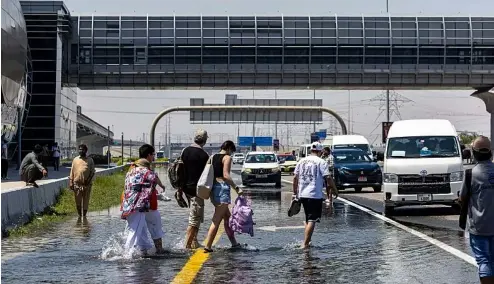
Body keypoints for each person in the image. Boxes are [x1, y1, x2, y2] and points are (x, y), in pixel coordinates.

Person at [459, 136, 494, 284]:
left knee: (484, 261)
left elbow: (462, 198)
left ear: (474, 153)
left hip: (479, 227)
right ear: (490, 152)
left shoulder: (470, 174)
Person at [121, 144, 167, 255]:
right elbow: (153, 178)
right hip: (140, 205)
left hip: (131, 205)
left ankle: (143, 251)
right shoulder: (146, 171)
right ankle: (127, 254)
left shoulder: (131, 170)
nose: (154, 158)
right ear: (148, 155)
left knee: (138, 230)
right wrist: (162, 188)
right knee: (140, 229)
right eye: (153, 155)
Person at [292, 142, 338, 249]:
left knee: (308, 219)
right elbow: (328, 178)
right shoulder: (321, 162)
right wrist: (335, 190)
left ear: (311, 150)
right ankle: (305, 244)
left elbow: (295, 178)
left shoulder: (301, 161)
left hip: (302, 194)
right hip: (314, 194)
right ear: (320, 151)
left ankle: (308, 240)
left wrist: (294, 193)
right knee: (313, 220)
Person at [204, 140, 244, 253]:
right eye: (231, 151)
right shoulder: (227, 158)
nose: (231, 154)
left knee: (228, 218)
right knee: (216, 220)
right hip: (222, 188)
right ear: (230, 149)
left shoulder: (212, 157)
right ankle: (207, 246)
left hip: (213, 189)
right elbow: (226, 175)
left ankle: (234, 243)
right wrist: (236, 188)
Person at [180, 129, 210, 249]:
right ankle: (187, 246)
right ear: (205, 139)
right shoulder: (204, 155)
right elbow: (207, 175)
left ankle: (194, 242)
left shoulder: (185, 151)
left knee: (195, 216)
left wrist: (179, 188)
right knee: (195, 219)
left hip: (186, 189)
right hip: (196, 190)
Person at [69, 144, 96, 217]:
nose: (81, 151)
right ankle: (79, 216)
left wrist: (88, 181)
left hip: (87, 185)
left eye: (82, 149)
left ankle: (84, 216)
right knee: (77, 201)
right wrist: (71, 182)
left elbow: (92, 172)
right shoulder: (75, 159)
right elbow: (72, 171)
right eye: (80, 149)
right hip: (76, 184)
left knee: (86, 200)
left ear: (86, 151)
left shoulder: (90, 160)